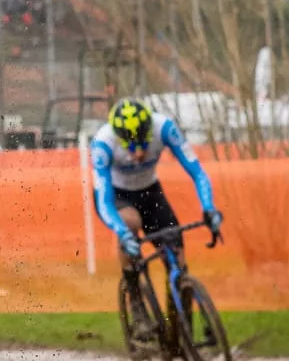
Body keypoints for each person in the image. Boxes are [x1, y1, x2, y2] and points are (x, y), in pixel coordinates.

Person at [91, 96, 224, 258]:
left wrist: (209, 208)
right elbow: (104, 200)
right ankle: (131, 279)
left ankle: (179, 280)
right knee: (131, 223)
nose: (139, 153)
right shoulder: (103, 144)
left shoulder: (165, 129)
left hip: (149, 190)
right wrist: (122, 232)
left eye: (143, 144)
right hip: (118, 195)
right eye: (131, 147)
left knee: (175, 245)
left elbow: (198, 173)